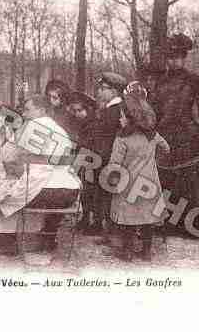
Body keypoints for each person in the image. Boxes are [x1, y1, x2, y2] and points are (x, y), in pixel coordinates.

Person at [0, 95, 81, 252]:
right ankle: (47, 239)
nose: (23, 114)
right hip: (69, 194)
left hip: (45, 193)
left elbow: (10, 158)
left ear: (41, 110)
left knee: (0, 191)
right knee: (18, 185)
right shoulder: (59, 129)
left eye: (27, 110)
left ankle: (6, 243)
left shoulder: (34, 126)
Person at [149, 33, 199, 238]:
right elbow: (154, 110)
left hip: (188, 136)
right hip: (165, 137)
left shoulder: (194, 80)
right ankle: (171, 223)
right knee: (167, 180)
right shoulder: (159, 82)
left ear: (184, 57)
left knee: (192, 182)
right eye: (170, 57)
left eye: (178, 57)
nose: (174, 61)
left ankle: (198, 226)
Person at [103, 82, 170, 261]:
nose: (120, 119)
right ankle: (146, 252)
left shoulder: (122, 138)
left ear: (130, 117)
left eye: (123, 115)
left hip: (128, 184)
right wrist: (155, 161)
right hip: (150, 183)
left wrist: (111, 178)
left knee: (128, 220)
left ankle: (127, 251)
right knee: (148, 218)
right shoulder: (153, 135)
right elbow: (167, 148)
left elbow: (115, 163)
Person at [89, 72, 128, 238]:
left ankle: (109, 230)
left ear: (114, 91)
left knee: (107, 194)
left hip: (107, 158)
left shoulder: (113, 110)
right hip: (105, 157)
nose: (99, 92)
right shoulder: (111, 109)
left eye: (103, 88)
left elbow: (109, 137)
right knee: (105, 193)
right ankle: (106, 228)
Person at [64, 91, 98, 233]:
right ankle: (85, 219)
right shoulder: (81, 123)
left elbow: (87, 144)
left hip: (94, 162)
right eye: (75, 111)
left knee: (93, 192)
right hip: (84, 160)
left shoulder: (94, 124)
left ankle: (95, 223)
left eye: (80, 110)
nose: (78, 114)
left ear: (88, 109)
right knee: (85, 192)